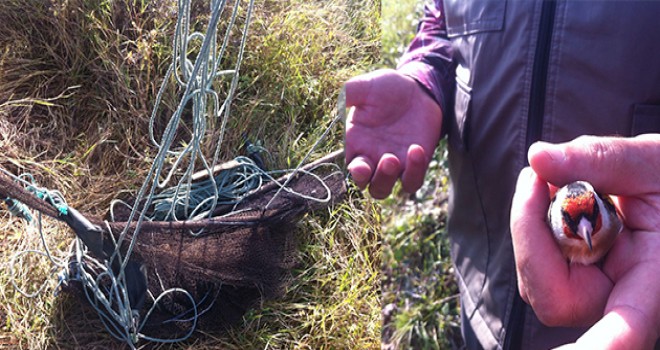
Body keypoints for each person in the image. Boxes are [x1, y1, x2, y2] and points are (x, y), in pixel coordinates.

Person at [344, 1, 660, 349]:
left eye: (585, 222)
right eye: (576, 222)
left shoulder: (606, 222)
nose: (586, 232)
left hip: (627, 308)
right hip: (482, 293)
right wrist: (426, 79)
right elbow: (443, 22)